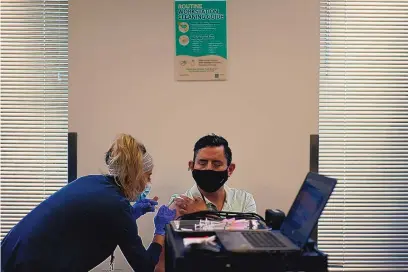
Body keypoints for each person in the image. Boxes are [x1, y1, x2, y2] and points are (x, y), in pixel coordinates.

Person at [1, 134, 176, 272]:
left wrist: (132, 213)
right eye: (148, 176)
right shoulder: (117, 206)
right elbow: (144, 267)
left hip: (11, 254)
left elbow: (93, 221)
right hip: (29, 265)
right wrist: (160, 230)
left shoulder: (92, 182)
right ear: (136, 174)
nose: (148, 182)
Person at [154, 134, 256, 272]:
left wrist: (204, 216)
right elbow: (162, 266)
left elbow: (250, 247)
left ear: (230, 169)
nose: (209, 168)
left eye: (216, 164)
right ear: (192, 166)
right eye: (202, 163)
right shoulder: (180, 204)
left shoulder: (244, 201)